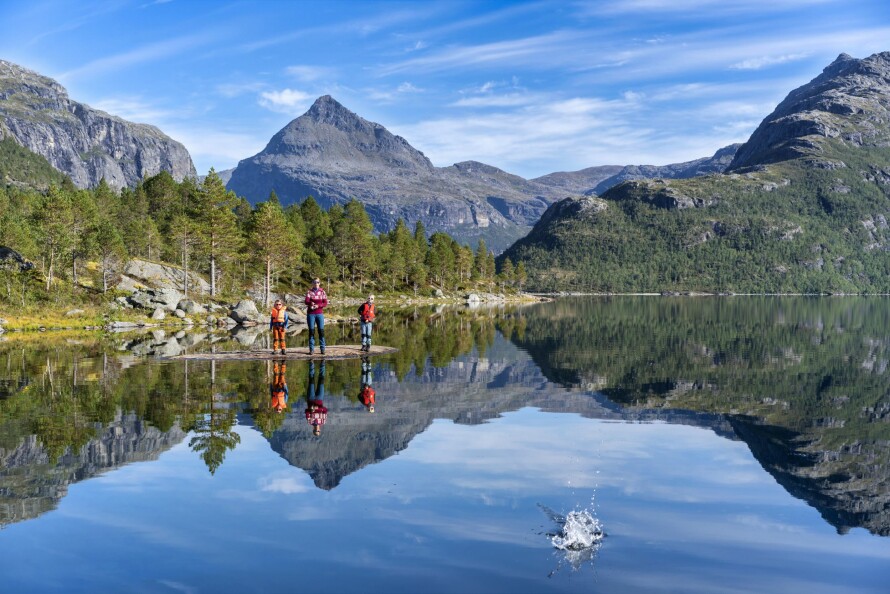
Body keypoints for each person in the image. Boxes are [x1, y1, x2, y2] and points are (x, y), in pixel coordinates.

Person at [305, 278, 328, 355]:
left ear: (319, 283)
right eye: (314, 282)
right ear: (312, 283)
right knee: (311, 331)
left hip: (319, 314)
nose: (316, 283)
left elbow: (325, 303)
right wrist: (311, 303)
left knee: (321, 331)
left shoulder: (322, 292)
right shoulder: (309, 291)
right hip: (311, 314)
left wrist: (318, 305)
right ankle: (311, 349)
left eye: (317, 282)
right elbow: (306, 301)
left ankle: (322, 349)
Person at [304, 361, 327, 436]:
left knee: (311, 380)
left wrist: (311, 410)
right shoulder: (323, 421)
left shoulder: (310, 421)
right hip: (320, 399)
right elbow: (325, 410)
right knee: (321, 380)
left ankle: (311, 364)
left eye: (315, 431)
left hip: (311, 398)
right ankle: (322, 364)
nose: (317, 430)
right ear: (320, 430)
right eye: (318, 431)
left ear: (313, 430)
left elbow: (306, 411)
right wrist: (318, 408)